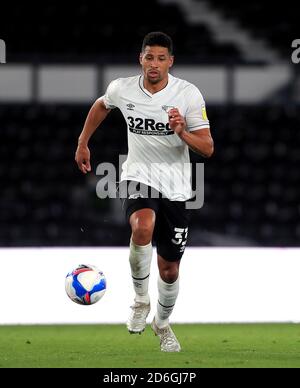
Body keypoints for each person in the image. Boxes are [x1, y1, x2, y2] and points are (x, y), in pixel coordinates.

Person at [75, 31, 214, 352]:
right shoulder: (122, 89)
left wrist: (181, 131)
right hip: (138, 175)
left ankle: (162, 323)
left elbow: (207, 149)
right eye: (149, 57)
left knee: (170, 269)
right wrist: (83, 142)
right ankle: (140, 300)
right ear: (141, 59)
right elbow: (101, 105)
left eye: (161, 58)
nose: (154, 64)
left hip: (177, 188)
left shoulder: (188, 95)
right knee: (142, 226)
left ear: (171, 62)